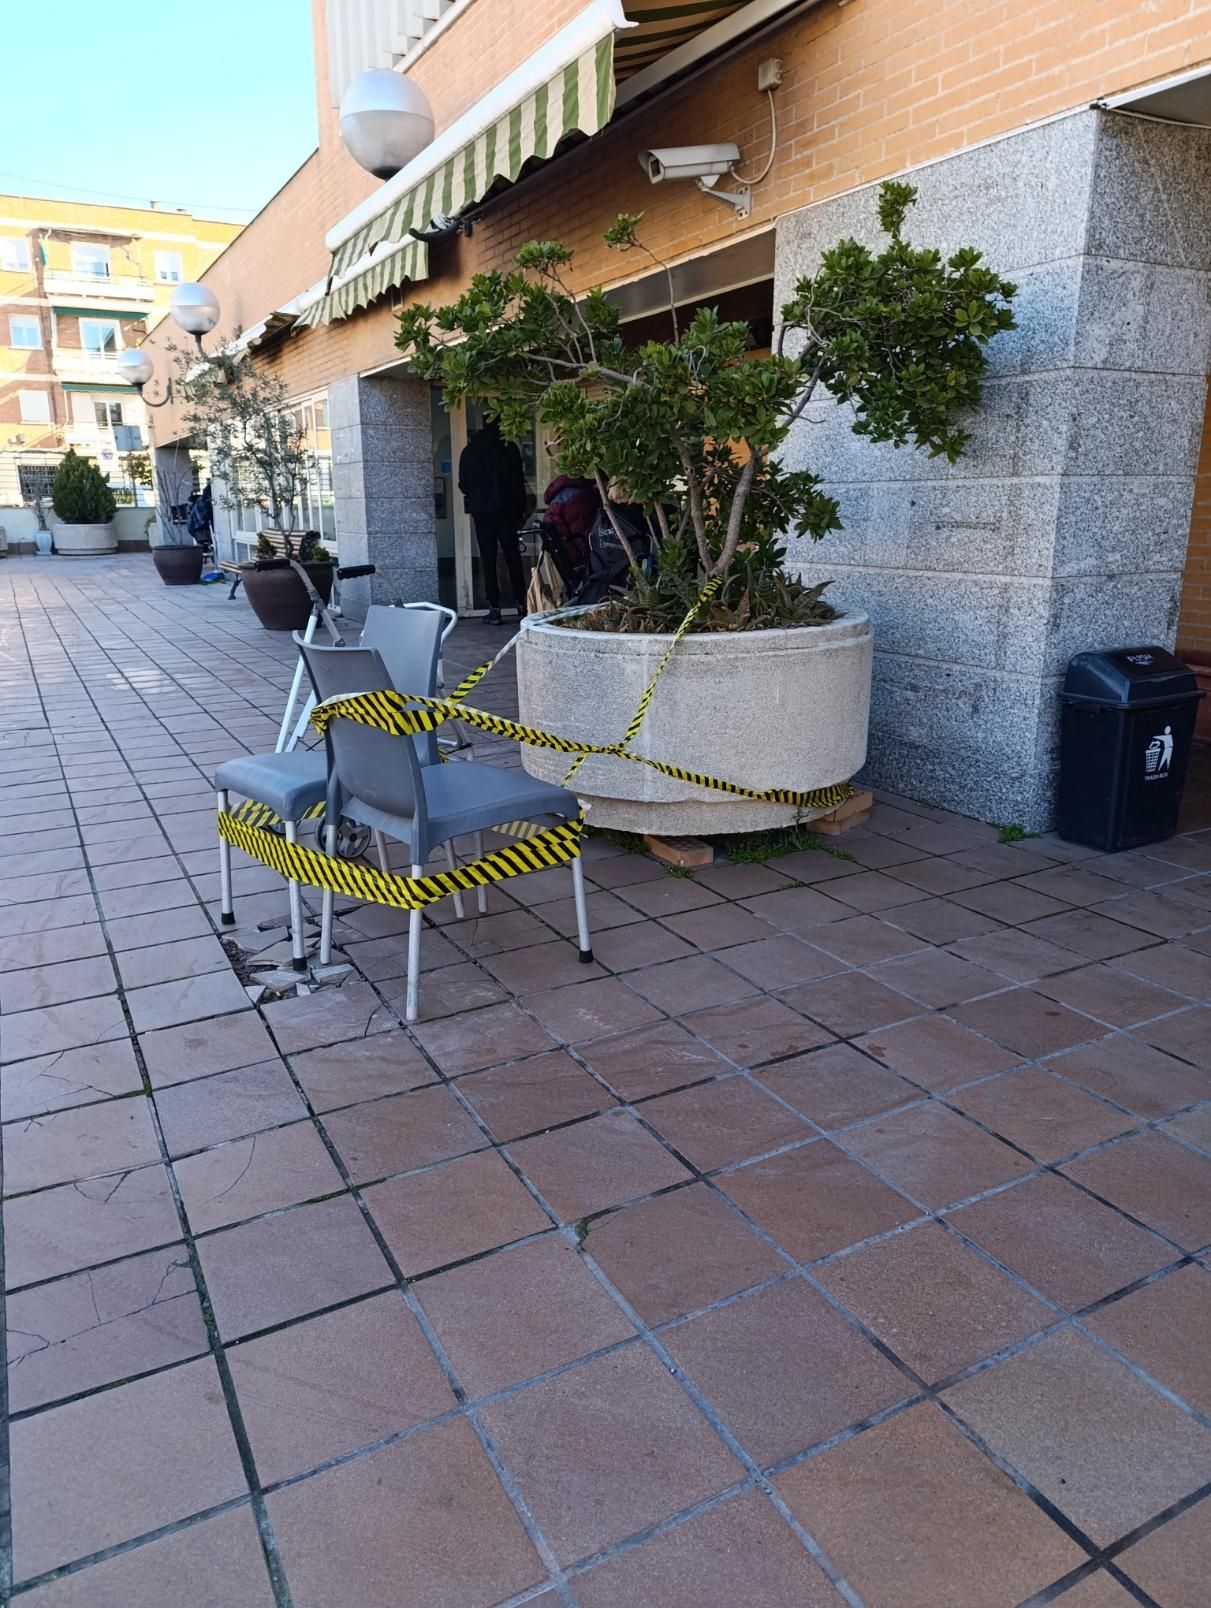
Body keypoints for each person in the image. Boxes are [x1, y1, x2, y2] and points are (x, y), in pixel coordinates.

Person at [458, 420, 528, 624]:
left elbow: (463, 484)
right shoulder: (508, 448)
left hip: (482, 512)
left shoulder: (470, 450)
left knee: (487, 559)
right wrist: (520, 510)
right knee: (513, 558)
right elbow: (518, 482)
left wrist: (477, 496)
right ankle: (521, 604)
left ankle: (494, 608)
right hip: (506, 511)